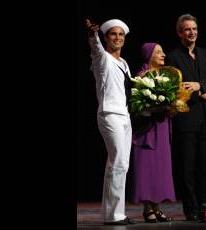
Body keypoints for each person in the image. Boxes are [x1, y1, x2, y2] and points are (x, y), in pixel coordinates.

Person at [165, 14, 206, 221]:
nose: (192, 33)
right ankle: (191, 209)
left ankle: (205, 207)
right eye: (188, 29)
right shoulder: (172, 57)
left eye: (195, 29)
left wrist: (202, 86)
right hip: (186, 118)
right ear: (180, 33)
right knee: (187, 166)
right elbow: (174, 87)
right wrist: (199, 92)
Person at [85, 18, 137, 225]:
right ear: (106, 38)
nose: (118, 38)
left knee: (122, 164)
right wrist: (92, 35)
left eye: (121, 35)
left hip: (125, 115)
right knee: (117, 161)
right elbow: (96, 48)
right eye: (113, 34)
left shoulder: (124, 63)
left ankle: (115, 213)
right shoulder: (102, 58)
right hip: (110, 113)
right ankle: (113, 215)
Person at [130, 43, 175, 223]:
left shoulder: (165, 76)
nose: (163, 54)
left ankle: (156, 207)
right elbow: (136, 104)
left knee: (160, 169)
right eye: (158, 52)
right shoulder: (142, 77)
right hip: (146, 130)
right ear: (148, 55)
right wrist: (155, 106)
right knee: (147, 168)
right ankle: (147, 207)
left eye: (163, 51)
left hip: (162, 127)